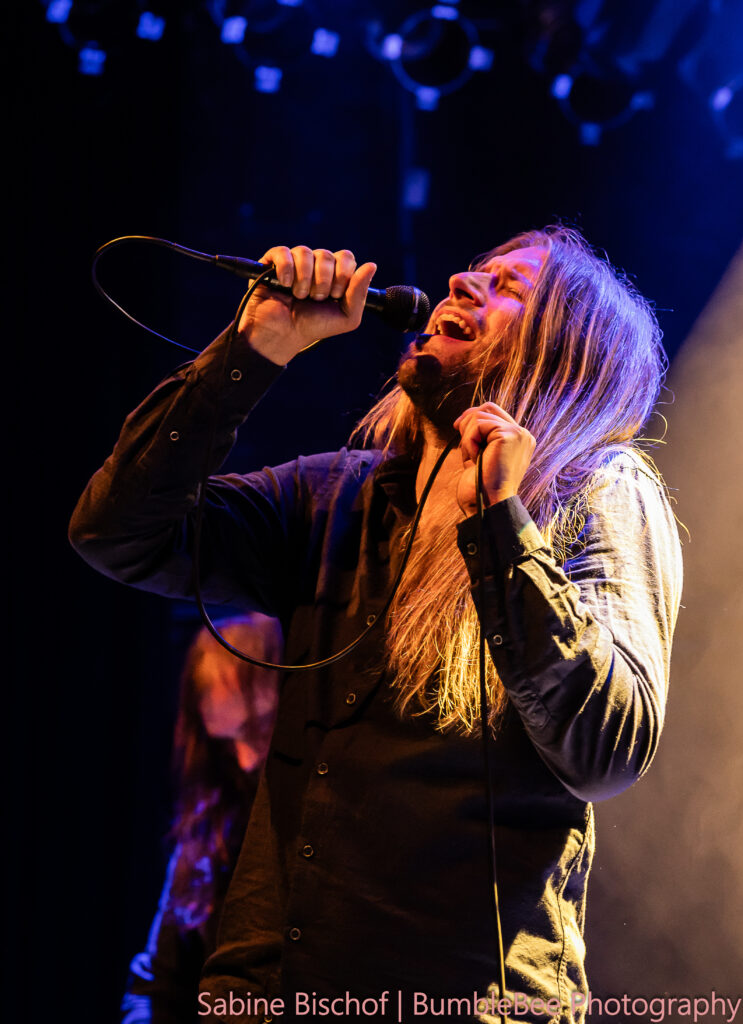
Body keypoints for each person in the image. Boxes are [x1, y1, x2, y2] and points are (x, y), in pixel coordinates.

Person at [71, 225, 682, 1023]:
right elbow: (114, 533)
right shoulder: (336, 497)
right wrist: (254, 347)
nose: (462, 282)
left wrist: (499, 524)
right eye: (475, 270)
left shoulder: (598, 492)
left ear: (565, 353)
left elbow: (606, 750)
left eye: (509, 287)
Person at [121, 614, 283, 1024]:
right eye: (228, 743)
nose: (244, 760)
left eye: (258, 731)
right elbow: (157, 983)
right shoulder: (209, 829)